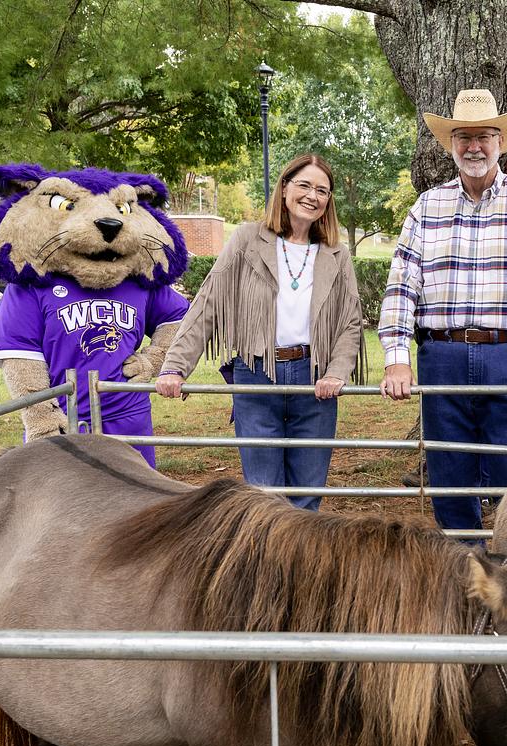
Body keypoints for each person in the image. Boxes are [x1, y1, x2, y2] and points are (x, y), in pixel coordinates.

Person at [378, 88, 507, 534]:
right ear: (450, 144)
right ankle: (463, 570)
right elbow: (401, 287)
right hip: (442, 357)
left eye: (484, 136)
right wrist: (396, 358)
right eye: (464, 137)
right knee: (449, 474)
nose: (474, 146)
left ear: (500, 142)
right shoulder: (427, 207)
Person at [156, 153, 363, 511]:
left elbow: (350, 321)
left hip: (314, 382)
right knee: (264, 497)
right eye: (304, 185)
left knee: (306, 497)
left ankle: (300, 568)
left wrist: (336, 372)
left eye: (322, 191)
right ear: (284, 188)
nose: (312, 196)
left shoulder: (336, 254)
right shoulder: (248, 239)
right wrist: (175, 366)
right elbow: (208, 303)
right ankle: (268, 568)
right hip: (256, 375)